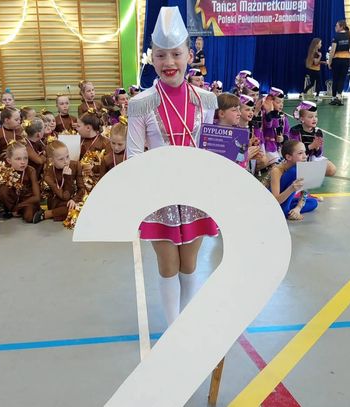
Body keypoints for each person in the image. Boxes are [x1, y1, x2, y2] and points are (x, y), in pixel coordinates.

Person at [126, 6, 218, 326]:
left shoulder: (206, 100)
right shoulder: (141, 103)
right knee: (168, 265)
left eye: (176, 54)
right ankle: (173, 328)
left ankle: (187, 324)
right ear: (152, 59)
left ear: (189, 56)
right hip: (159, 196)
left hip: (196, 194)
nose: (169, 62)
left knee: (189, 265)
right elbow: (133, 155)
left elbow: (211, 149)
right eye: (161, 55)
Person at [269, 139, 318, 220]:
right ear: (288, 157)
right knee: (294, 171)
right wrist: (291, 188)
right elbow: (275, 201)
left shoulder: (302, 167)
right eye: (300, 153)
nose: (305, 156)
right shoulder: (277, 170)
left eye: (305, 152)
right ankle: (285, 211)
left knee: (313, 202)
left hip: (285, 200)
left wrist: (298, 208)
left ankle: (290, 211)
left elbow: (304, 192)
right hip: (273, 203)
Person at [38, 140, 86, 222]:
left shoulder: (75, 165)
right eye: (61, 159)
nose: (66, 161)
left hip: (74, 197)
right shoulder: (48, 175)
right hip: (58, 201)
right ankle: (49, 213)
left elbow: (81, 188)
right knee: (70, 208)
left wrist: (74, 200)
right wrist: (67, 177)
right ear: (51, 161)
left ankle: (52, 213)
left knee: (83, 207)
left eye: (67, 156)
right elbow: (64, 196)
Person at [0, 141, 42, 223]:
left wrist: (18, 206)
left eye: (25, 158)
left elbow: (37, 197)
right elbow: (2, 193)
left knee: (29, 217)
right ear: (9, 160)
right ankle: (10, 210)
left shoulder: (31, 170)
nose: (23, 162)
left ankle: (19, 211)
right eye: (18, 159)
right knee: (3, 190)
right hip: (12, 203)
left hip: (27, 201)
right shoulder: (5, 170)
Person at [289, 101, 336, 176]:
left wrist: (317, 148)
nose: (314, 119)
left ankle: (309, 173)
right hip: (298, 159)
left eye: (316, 116)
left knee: (332, 169)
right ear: (302, 119)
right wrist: (311, 146)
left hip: (312, 158)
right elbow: (295, 152)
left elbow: (319, 154)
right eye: (310, 117)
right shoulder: (295, 131)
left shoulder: (318, 132)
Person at [328, 20, 350, 106]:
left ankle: (333, 98)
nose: (335, 27)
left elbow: (332, 50)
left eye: (337, 26)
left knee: (335, 78)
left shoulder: (336, 36)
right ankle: (338, 97)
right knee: (342, 79)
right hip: (346, 60)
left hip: (337, 60)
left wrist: (329, 61)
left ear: (342, 27)